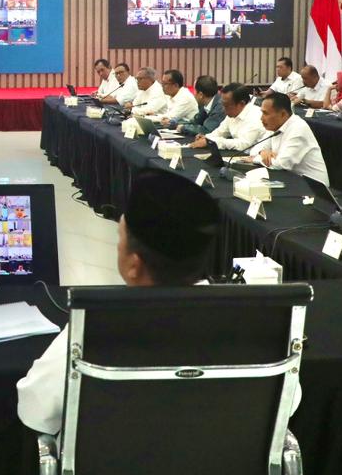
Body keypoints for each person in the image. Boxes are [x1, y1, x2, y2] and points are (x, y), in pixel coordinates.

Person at [18, 170, 294, 434]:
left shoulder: (93, 328)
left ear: (134, 265)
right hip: (225, 467)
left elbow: (35, 409)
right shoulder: (251, 326)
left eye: (120, 238)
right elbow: (290, 399)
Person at [253, 94, 329, 185]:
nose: (261, 118)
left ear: (283, 114)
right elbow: (254, 150)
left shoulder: (299, 128)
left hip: (312, 186)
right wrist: (262, 152)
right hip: (291, 179)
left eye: (265, 113)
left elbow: (281, 164)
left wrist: (257, 158)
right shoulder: (274, 126)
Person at [191, 84, 264, 152]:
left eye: (226, 105)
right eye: (222, 104)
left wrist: (213, 141)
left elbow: (243, 144)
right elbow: (220, 132)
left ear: (241, 103)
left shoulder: (255, 116)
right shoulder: (232, 114)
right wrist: (206, 138)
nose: (223, 109)